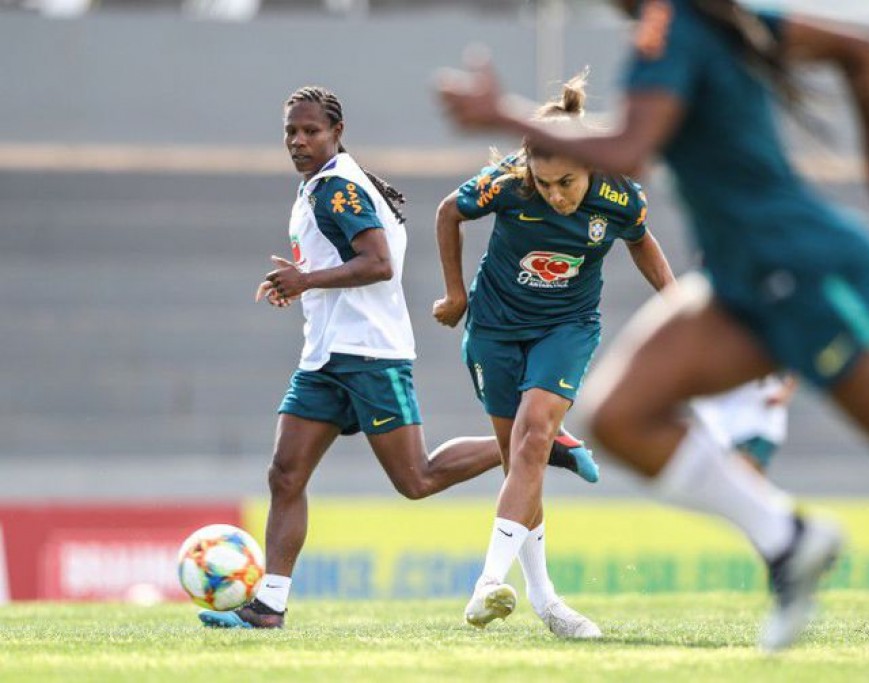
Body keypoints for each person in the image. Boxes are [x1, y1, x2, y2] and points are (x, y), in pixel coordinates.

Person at [437, 0, 869, 652]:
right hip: (742, 283)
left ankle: (787, 538)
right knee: (621, 415)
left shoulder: (671, 26)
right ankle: (788, 539)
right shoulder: (715, 19)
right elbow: (855, 50)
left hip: (803, 269)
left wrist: (503, 115)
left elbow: (630, 146)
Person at [199, 85, 597, 630]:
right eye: (291, 131)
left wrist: (304, 280)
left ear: (337, 133)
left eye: (311, 130)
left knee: (418, 480)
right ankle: (269, 604)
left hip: (370, 355)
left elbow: (379, 262)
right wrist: (302, 284)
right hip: (324, 357)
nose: (298, 140)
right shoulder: (321, 186)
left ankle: (541, 443)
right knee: (285, 473)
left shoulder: (337, 189)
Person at [433, 72, 676, 639]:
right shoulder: (509, 184)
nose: (556, 195)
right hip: (494, 328)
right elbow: (449, 211)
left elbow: (642, 240)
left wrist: (678, 303)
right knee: (521, 459)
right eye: (545, 186)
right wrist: (455, 294)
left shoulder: (619, 193)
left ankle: (487, 583)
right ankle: (548, 604)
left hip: (567, 327)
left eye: (566, 182)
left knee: (533, 438)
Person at [693, 374, 797, 474]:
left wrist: (784, 392)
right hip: (736, 431)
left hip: (763, 430)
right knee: (743, 472)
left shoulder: (771, 375)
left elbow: (781, 394)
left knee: (749, 469)